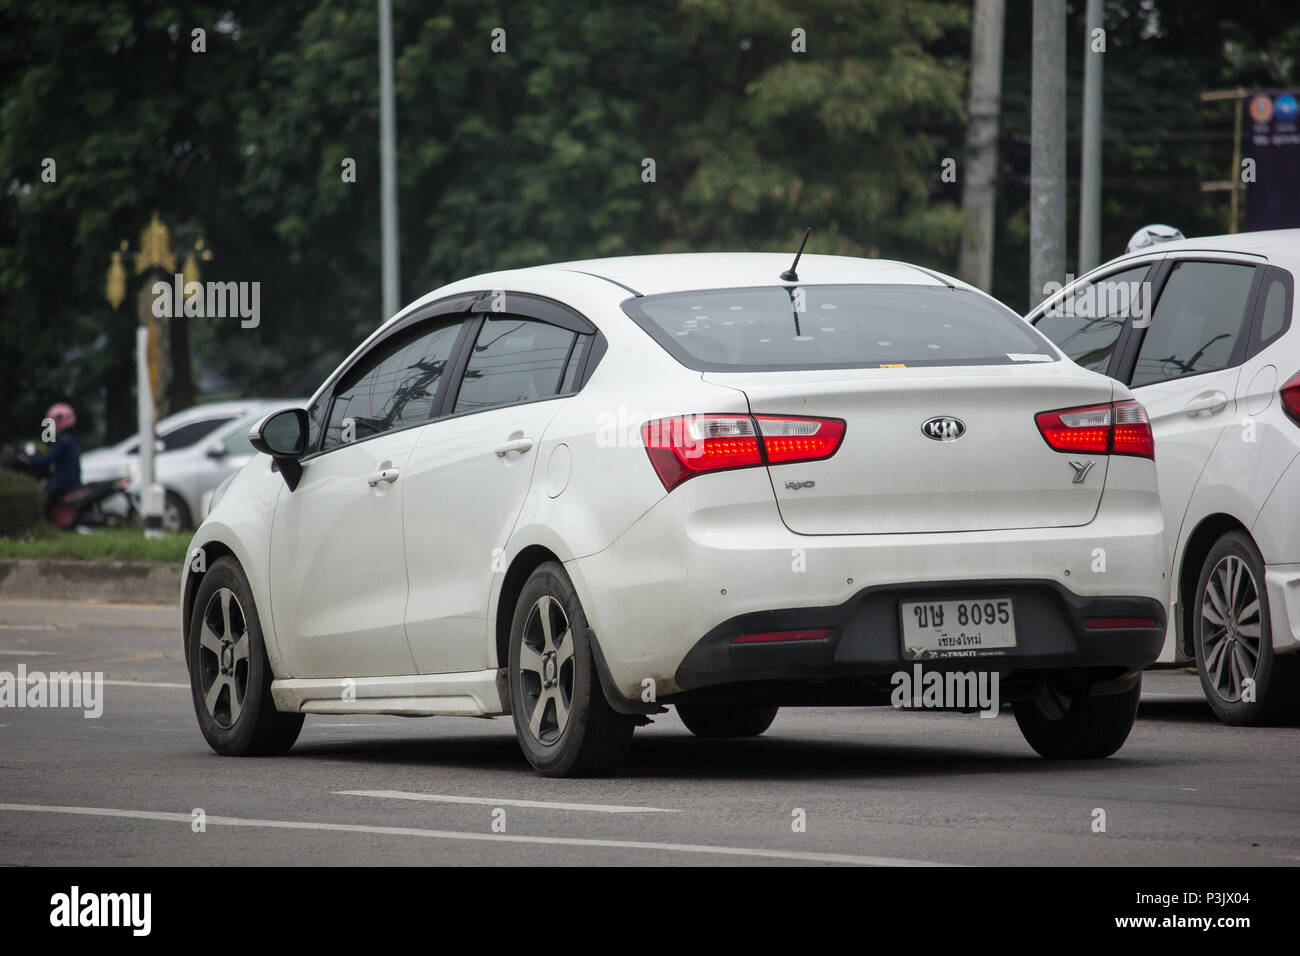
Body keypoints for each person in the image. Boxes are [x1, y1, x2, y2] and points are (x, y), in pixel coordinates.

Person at [26, 403, 82, 520]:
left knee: (42, 501)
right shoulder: (71, 439)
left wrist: (30, 460)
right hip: (73, 481)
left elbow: (49, 459)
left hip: (62, 483)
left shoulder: (62, 441)